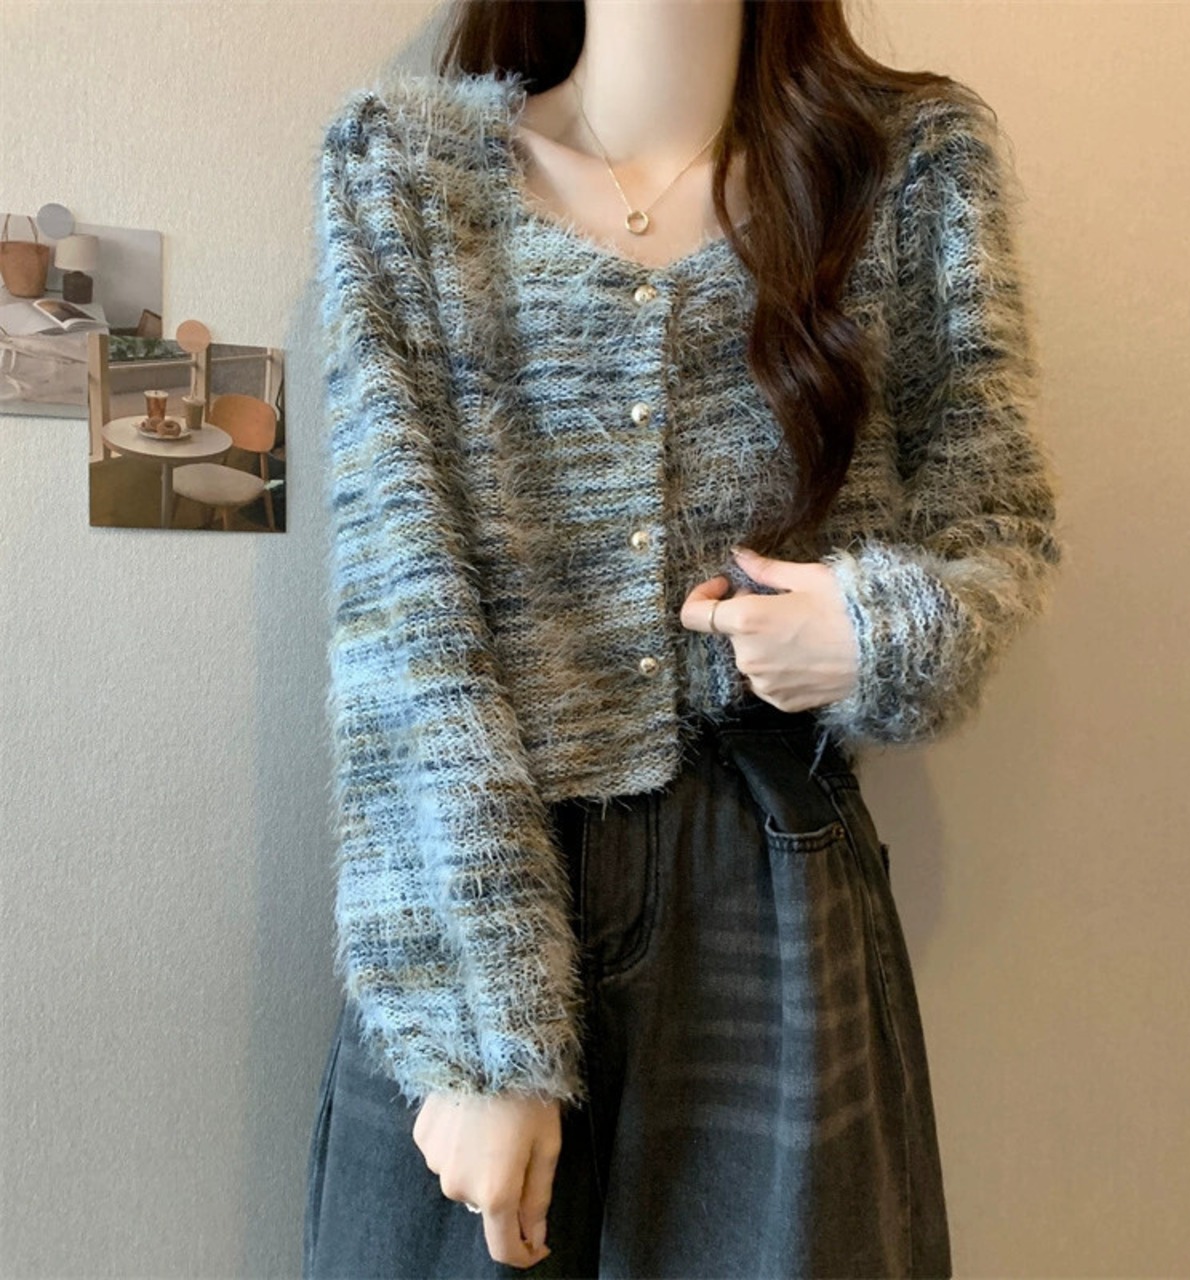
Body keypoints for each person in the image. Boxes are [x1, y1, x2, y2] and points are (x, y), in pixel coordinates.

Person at [303, 1, 1062, 1276]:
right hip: (467, 882)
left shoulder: (907, 170)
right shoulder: (404, 170)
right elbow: (396, 604)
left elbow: (998, 527)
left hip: (771, 890)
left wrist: (876, 631)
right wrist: (478, 1028)